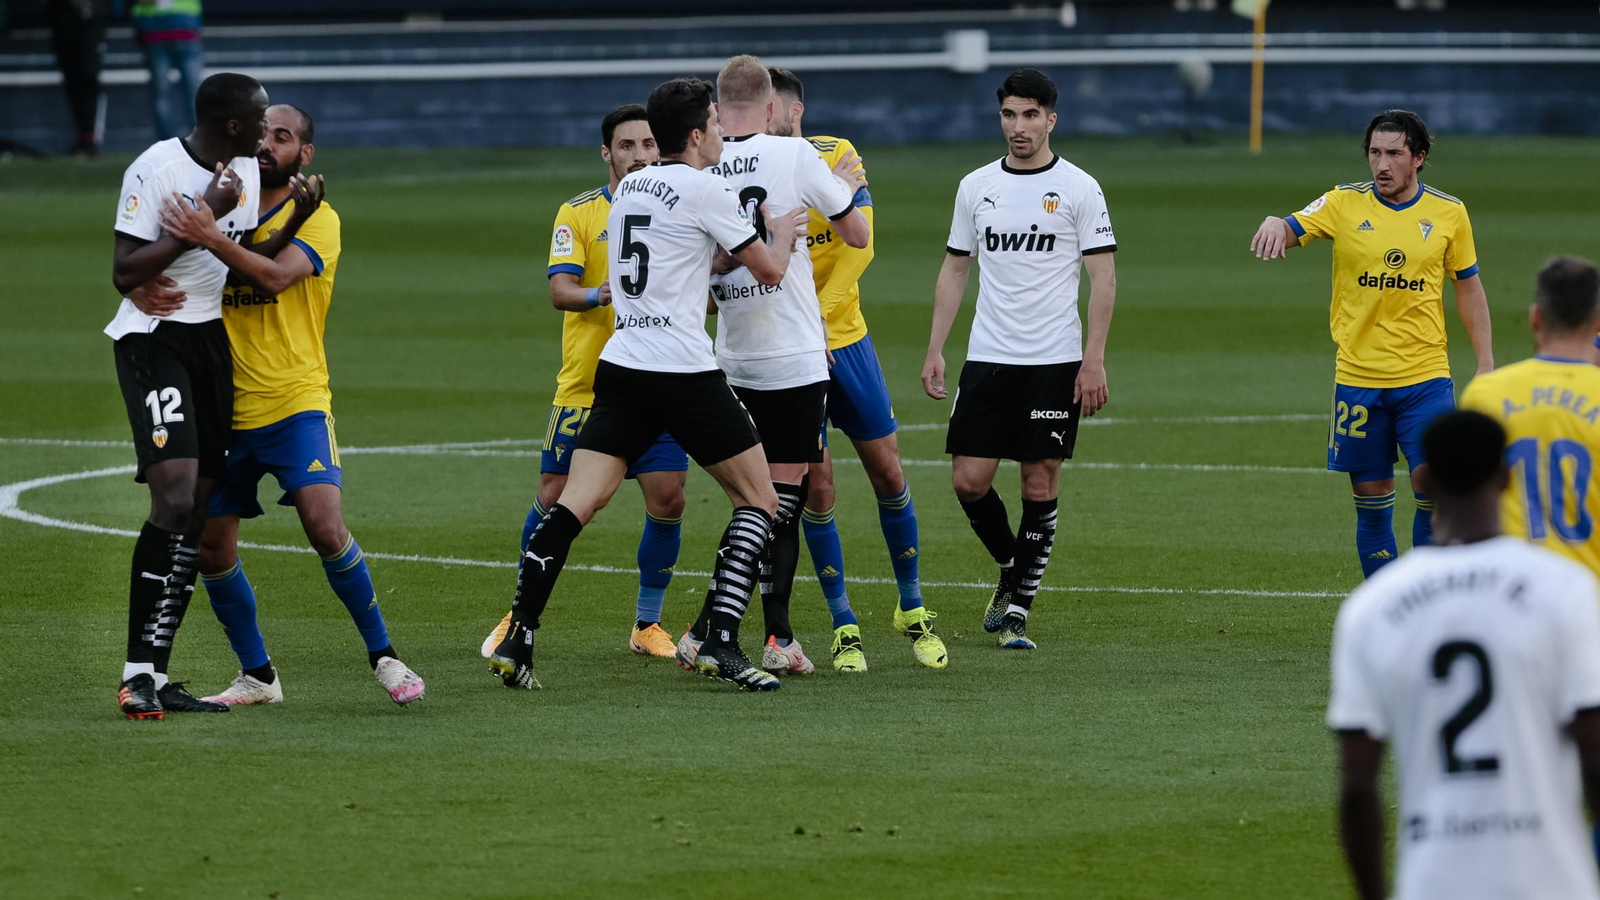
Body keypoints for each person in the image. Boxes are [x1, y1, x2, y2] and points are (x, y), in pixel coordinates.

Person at [486, 77, 801, 692]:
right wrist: (779, 233)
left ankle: (520, 635)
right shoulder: (709, 189)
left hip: (622, 362)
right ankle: (721, 643)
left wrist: (729, 247)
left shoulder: (631, 187)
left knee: (577, 502)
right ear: (693, 134)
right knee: (760, 501)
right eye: (713, 123)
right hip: (681, 370)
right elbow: (769, 273)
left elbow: (682, 257)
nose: (719, 132)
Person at [149, 104, 426, 706]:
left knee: (325, 526)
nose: (268, 144)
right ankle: (258, 675)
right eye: (261, 134)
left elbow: (274, 276)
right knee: (211, 547)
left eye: (283, 136)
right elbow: (166, 264)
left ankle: (384, 656)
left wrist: (207, 237)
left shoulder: (319, 219)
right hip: (220, 408)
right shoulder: (224, 207)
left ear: (305, 154)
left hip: (295, 399)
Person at [669, 56, 914, 676]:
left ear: (718, 113)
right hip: (793, 355)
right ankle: (763, 635)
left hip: (730, 355)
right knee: (778, 500)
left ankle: (713, 630)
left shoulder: (701, 164)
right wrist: (843, 185)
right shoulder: (797, 155)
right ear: (774, 108)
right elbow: (857, 234)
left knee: (755, 499)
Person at [1327, 409, 1600, 900]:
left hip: (1435, 882)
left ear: (1426, 479)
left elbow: (1357, 790)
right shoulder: (1566, 592)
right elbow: (1596, 755)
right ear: (1505, 478)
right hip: (1551, 881)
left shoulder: (1373, 609)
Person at [479, 104, 688, 661]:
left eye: (647, 144)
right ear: (607, 153)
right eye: (627, 146)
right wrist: (603, 293)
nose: (640, 155)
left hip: (659, 378)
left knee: (668, 497)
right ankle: (518, 612)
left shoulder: (678, 207)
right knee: (555, 497)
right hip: (587, 386)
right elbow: (560, 291)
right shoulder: (578, 213)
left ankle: (647, 624)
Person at [1250, 109, 1494, 579]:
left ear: (1418, 158)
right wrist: (1274, 223)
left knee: (1435, 491)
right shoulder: (1343, 203)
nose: (1381, 165)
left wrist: (1485, 362)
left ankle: (1427, 595)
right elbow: (1293, 225)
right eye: (1374, 153)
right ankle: (1389, 607)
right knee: (1373, 504)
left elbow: (1468, 286)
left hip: (1425, 378)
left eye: (1394, 154)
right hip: (1359, 381)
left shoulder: (1449, 213)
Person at [921, 67, 1117, 651]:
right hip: (988, 358)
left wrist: (1093, 360)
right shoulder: (976, 186)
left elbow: (1102, 278)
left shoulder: (1080, 188)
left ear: (1051, 119)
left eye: (1031, 115)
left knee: (1039, 480)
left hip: (1055, 362)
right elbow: (957, 267)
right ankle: (1013, 564)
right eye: (1009, 114)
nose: (1019, 127)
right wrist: (935, 346)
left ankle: (1018, 611)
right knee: (968, 481)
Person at [108, 71, 267, 718]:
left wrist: (289, 222)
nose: (264, 129)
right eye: (258, 118)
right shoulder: (154, 168)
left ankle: (159, 671)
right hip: (154, 340)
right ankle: (133, 672)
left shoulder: (248, 173)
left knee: (198, 511)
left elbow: (237, 254)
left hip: (210, 342)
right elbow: (124, 270)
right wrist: (196, 223)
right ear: (231, 124)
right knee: (172, 496)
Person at [767, 65, 935, 674]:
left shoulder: (836, 153)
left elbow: (860, 244)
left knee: (888, 470)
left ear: (793, 112)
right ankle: (843, 625)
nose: (762, 123)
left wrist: (822, 318)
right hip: (790, 353)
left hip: (845, 342)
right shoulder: (750, 171)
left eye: (772, 112)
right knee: (819, 487)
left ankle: (912, 608)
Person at [1462, 256, 1600, 577]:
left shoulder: (1485, 394)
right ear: (1597, 322)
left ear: (1535, 318)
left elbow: (1460, 509)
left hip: (1509, 596)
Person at [131, 0, 205, 140]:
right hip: (178, 29)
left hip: (162, 32)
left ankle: (188, 142)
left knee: (165, 93)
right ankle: (198, 141)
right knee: (190, 92)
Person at [46, 0, 107, 156]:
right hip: (64, 20)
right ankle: (83, 138)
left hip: (88, 21)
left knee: (89, 78)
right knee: (73, 81)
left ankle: (91, 138)